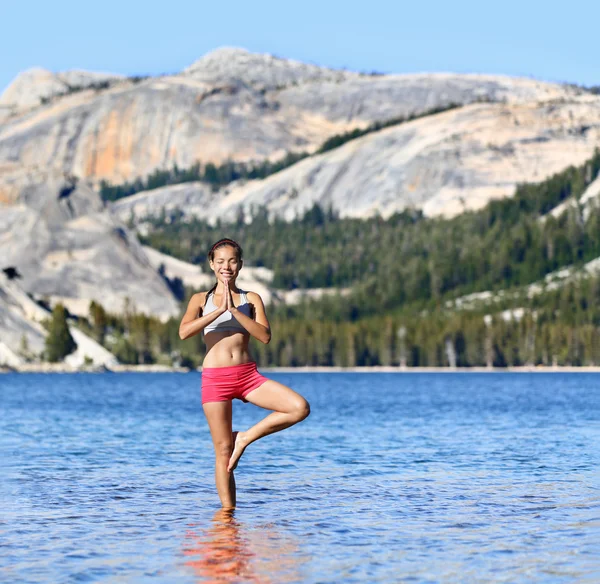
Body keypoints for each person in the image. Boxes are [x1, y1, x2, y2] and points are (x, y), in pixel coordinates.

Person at [179, 238, 310, 508]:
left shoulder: (250, 299)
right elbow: (184, 332)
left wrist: (235, 313)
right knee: (223, 451)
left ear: (240, 265)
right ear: (211, 264)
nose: (226, 266)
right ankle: (228, 517)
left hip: (248, 376)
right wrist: (217, 312)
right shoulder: (199, 299)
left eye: (232, 261)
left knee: (299, 408)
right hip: (215, 380)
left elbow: (264, 336)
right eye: (220, 261)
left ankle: (245, 438)